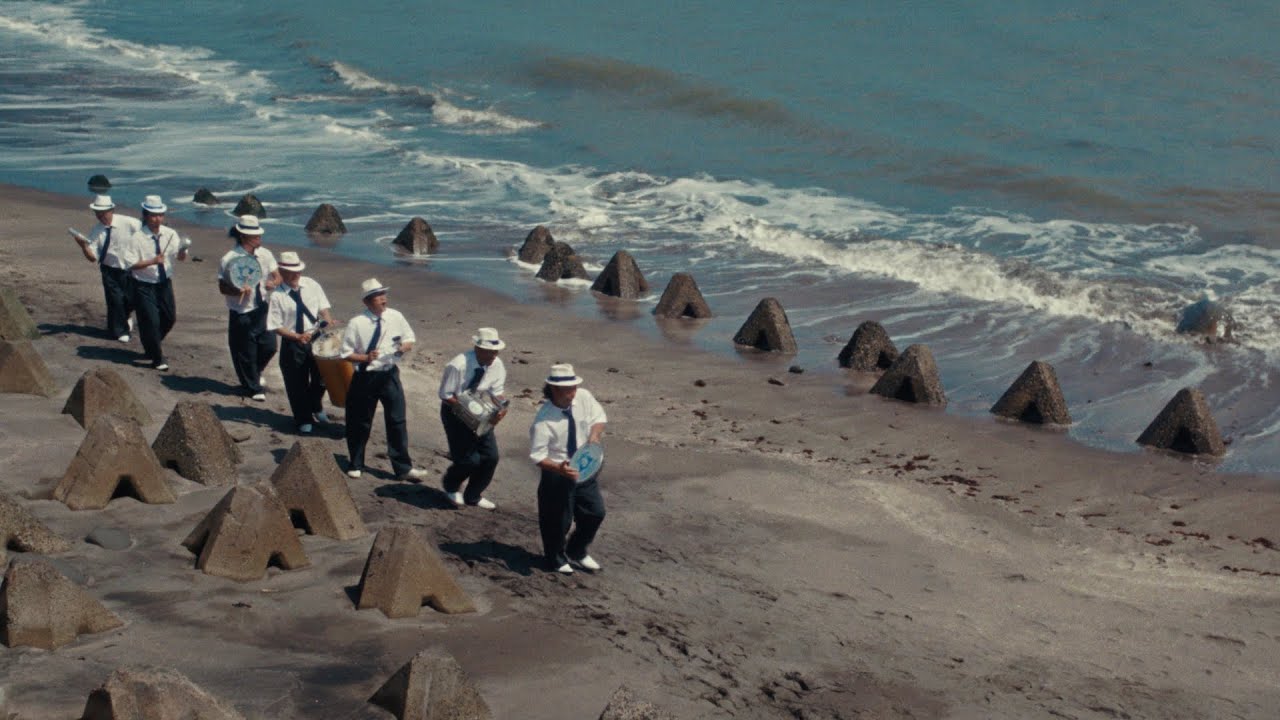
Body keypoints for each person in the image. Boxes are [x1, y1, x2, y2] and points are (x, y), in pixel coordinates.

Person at [339, 278, 427, 481]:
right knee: (360, 421)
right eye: (378, 296)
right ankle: (356, 463)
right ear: (367, 302)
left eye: (383, 295)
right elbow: (345, 354)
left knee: (397, 420)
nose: (383, 299)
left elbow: (409, 338)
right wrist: (365, 357)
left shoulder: (396, 316)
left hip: (389, 374)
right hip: (365, 377)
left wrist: (404, 347)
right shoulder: (357, 323)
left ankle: (403, 467)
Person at [529, 363, 608, 574]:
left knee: (595, 512)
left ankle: (577, 550)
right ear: (554, 390)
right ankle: (555, 558)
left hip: (584, 466)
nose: (573, 393)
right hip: (557, 473)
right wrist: (559, 468)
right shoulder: (543, 420)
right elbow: (537, 456)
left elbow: (599, 418)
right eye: (568, 390)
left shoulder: (583, 396)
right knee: (557, 521)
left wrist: (594, 435)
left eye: (574, 387)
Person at [437, 327, 508, 510]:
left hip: (481, 412)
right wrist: (467, 411)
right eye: (489, 351)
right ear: (477, 349)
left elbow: (496, 393)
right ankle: (451, 486)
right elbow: (446, 394)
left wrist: (502, 407)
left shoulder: (497, 365)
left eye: (495, 351)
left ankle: (473, 495)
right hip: (454, 412)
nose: (493, 355)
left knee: (491, 457)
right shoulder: (458, 365)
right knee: (469, 460)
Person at [266, 251, 333, 434]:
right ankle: (302, 417)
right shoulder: (276, 296)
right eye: (290, 271)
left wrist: (327, 320)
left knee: (323, 378)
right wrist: (296, 337)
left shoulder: (311, 284)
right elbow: (275, 326)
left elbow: (324, 307)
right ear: (281, 271)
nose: (296, 274)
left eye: (298, 270)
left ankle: (315, 405)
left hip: (316, 337)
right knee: (296, 383)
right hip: (293, 342)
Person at [218, 215, 280, 401]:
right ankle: (253, 387)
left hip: (262, 306)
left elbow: (277, 276)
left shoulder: (266, 254)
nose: (259, 239)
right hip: (241, 310)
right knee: (245, 351)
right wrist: (237, 290)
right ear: (243, 236)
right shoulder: (229, 258)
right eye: (255, 236)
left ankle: (254, 373)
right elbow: (222, 287)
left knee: (270, 346)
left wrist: (273, 283)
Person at [121, 195, 187, 371]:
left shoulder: (170, 234)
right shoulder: (137, 237)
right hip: (143, 284)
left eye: (160, 215)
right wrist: (151, 261)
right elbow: (130, 264)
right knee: (150, 320)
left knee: (169, 318)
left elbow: (177, 256)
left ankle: (151, 343)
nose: (157, 219)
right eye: (153, 215)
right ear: (145, 216)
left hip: (164, 282)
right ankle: (157, 357)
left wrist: (182, 253)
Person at [73, 194, 140, 342]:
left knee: (132, 299)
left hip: (131, 269)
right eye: (97, 212)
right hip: (109, 270)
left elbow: (145, 233)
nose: (100, 215)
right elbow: (92, 258)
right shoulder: (96, 231)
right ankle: (121, 331)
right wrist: (83, 246)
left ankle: (124, 317)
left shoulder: (129, 222)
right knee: (115, 300)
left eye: (103, 212)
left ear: (112, 210)